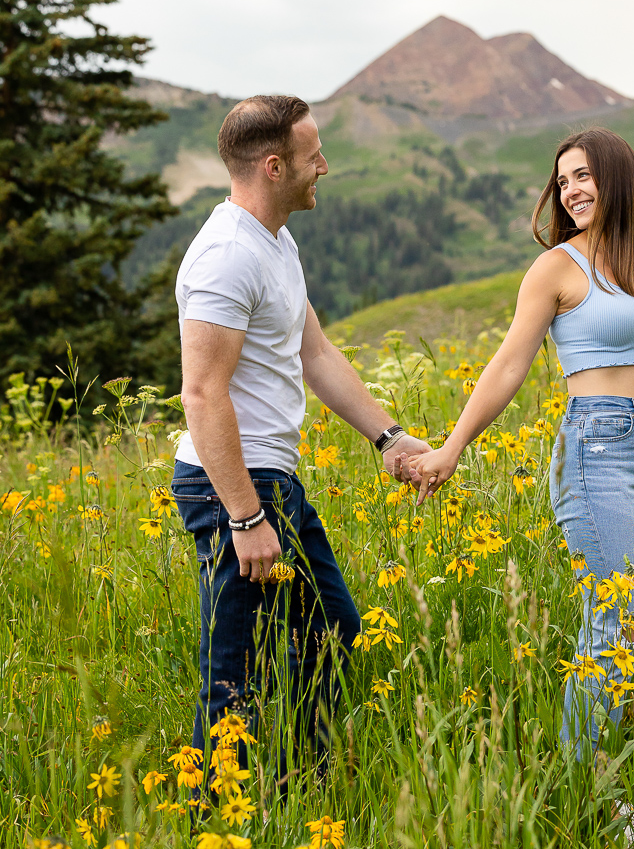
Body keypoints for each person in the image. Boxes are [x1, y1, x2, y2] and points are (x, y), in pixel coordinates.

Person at [406, 128, 634, 758]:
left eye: (582, 175)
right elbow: (508, 364)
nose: (571, 191)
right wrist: (451, 448)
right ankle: (591, 790)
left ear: (618, 175)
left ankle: (602, 766)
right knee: (613, 621)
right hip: (596, 451)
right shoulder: (558, 266)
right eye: (562, 182)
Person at [172, 94, 430, 784]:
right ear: (274, 165)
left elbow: (314, 355)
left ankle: (295, 785)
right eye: (314, 155)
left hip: (268, 480)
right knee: (235, 674)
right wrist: (246, 516)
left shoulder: (274, 243)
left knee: (330, 636)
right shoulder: (226, 256)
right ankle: (213, 814)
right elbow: (201, 393)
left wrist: (390, 439)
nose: (325, 166)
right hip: (233, 485)